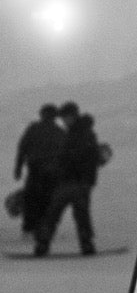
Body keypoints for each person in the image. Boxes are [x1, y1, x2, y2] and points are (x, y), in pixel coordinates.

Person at [35, 105, 104, 255]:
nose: (63, 121)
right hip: (73, 182)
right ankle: (85, 245)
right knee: (73, 215)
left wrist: (63, 168)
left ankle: (43, 245)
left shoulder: (82, 134)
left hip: (75, 182)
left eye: (65, 117)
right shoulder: (75, 133)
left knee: (59, 214)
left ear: (73, 116)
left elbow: (82, 158)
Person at [13, 102, 66, 236]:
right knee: (46, 200)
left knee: (32, 198)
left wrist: (18, 168)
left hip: (37, 170)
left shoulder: (33, 129)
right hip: (51, 172)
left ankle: (30, 228)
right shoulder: (59, 132)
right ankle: (42, 227)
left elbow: (22, 149)